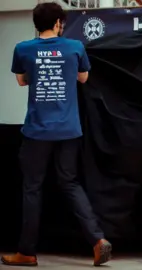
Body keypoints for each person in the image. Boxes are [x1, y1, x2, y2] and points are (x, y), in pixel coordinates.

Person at [1, 2, 112, 267]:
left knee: (32, 189)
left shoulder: (23, 49)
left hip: (37, 131)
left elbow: (21, 80)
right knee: (70, 183)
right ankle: (97, 240)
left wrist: (39, 73)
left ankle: (27, 252)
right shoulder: (74, 47)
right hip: (68, 130)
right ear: (58, 24)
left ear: (36, 24)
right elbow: (84, 78)